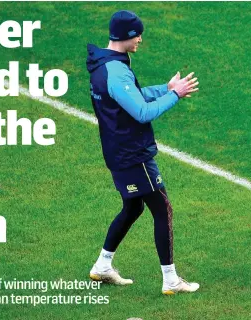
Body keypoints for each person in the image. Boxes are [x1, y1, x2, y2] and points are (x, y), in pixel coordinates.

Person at [86, 10, 200, 294]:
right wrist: (176, 94)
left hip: (116, 152)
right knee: (163, 210)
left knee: (133, 206)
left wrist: (165, 87)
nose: (140, 38)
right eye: (137, 34)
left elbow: (130, 95)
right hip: (132, 155)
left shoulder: (105, 65)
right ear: (125, 36)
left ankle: (102, 266)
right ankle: (171, 280)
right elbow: (141, 111)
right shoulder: (115, 71)